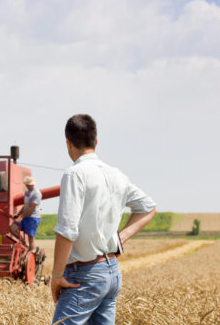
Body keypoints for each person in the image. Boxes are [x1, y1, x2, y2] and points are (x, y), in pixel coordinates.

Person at [51, 114, 157, 325]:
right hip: (111, 273)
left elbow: (67, 230)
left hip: (84, 275)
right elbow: (148, 207)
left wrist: (56, 275)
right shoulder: (116, 174)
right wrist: (121, 238)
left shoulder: (74, 174)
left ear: (68, 143)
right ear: (96, 141)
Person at [13, 176, 42, 252]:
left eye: (29, 184)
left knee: (31, 238)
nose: (27, 185)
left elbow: (31, 208)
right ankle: (24, 243)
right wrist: (18, 214)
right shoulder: (27, 192)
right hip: (25, 216)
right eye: (27, 184)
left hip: (33, 217)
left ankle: (32, 253)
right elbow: (25, 205)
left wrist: (21, 217)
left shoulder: (36, 194)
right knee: (12, 228)